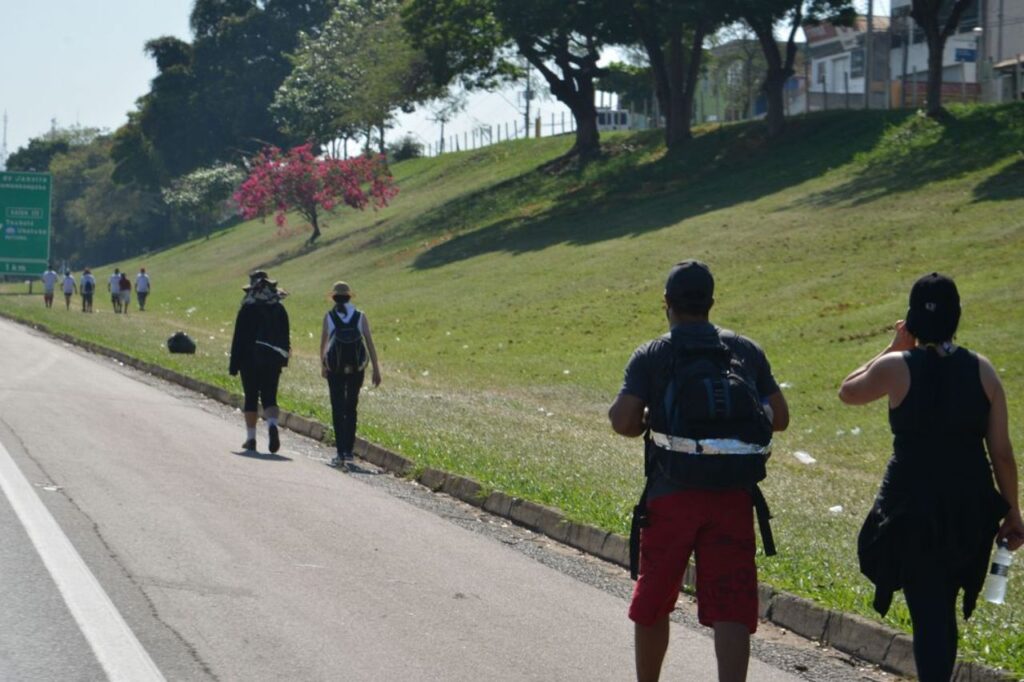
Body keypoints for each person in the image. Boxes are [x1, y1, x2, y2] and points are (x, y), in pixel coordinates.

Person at [608, 260, 789, 682]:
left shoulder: (653, 353)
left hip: (671, 493)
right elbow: (779, 417)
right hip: (733, 494)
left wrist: (648, 418)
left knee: (655, 598)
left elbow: (622, 421)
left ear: (666, 304)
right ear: (711, 302)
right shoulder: (744, 349)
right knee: (732, 604)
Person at [839, 273, 1023, 682]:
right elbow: (1003, 454)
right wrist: (1013, 511)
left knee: (930, 610)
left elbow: (847, 391)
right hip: (970, 506)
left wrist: (892, 347)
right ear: (957, 317)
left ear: (911, 320)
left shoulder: (895, 367)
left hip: (913, 507)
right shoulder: (983, 371)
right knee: (942, 608)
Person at [319, 281, 381, 469]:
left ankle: (339, 452)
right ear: (349, 297)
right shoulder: (360, 316)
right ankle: (349, 451)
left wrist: (323, 365)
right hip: (357, 368)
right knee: (351, 406)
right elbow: (369, 343)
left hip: (334, 369)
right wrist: (376, 369)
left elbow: (323, 344)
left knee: (337, 408)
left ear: (334, 298)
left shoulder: (329, 317)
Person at [229, 272, 290, 453]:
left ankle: (251, 438)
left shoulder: (246, 308)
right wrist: (283, 359)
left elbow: (238, 338)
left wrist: (234, 364)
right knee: (270, 397)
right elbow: (285, 337)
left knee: (251, 397)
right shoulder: (279, 309)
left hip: (248, 360)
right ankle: (272, 425)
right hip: (272, 359)